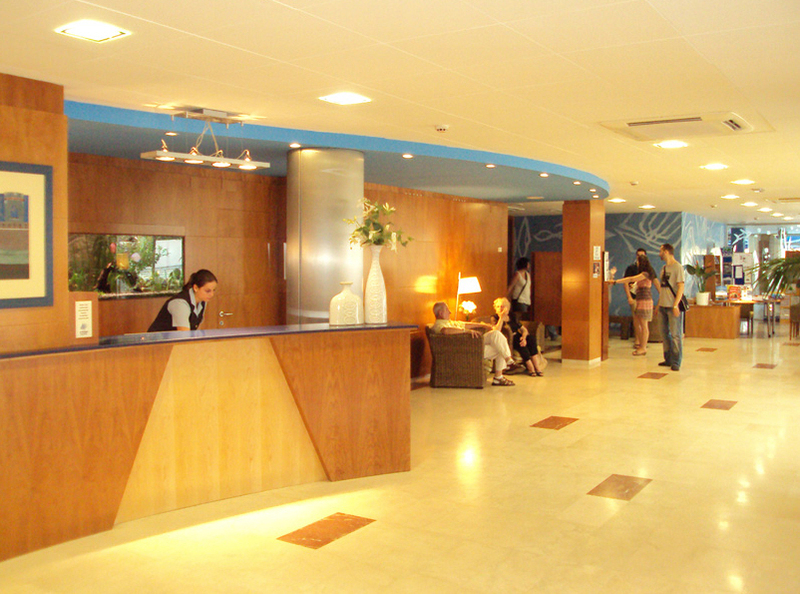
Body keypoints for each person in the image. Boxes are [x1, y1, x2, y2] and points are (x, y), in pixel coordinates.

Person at [431, 301, 523, 386]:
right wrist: (466, 331)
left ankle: (508, 362)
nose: (450, 312)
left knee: (497, 336)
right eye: (447, 310)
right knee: (500, 346)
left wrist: (483, 325)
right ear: (440, 313)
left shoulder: (450, 322)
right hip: (465, 349)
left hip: (472, 344)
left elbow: (465, 324)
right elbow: (446, 331)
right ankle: (500, 375)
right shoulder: (439, 324)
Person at [613, 253, 658, 356]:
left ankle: (643, 347)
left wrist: (616, 281)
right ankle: (641, 345)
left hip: (645, 301)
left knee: (644, 325)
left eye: (638, 262)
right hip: (640, 300)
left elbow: (631, 279)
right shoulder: (645, 273)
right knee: (639, 323)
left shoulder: (645, 274)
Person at [148, 269, 218, 332]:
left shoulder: (202, 301)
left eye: (214, 290)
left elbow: (195, 329)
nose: (212, 294)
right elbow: (184, 334)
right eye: (207, 291)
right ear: (196, 288)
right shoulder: (180, 303)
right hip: (158, 340)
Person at [492, 297, 544, 376]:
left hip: (517, 335)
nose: (500, 308)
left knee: (531, 339)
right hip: (508, 339)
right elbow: (496, 331)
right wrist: (501, 318)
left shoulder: (512, 316)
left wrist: (524, 338)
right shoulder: (495, 318)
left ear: (507, 307)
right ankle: (531, 368)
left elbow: (524, 329)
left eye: (502, 306)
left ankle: (537, 367)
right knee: (521, 344)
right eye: (498, 306)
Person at [657, 244, 684, 371]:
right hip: (662, 305)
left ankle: (676, 361)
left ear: (666, 252)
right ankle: (667, 358)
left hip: (672, 306)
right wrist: (658, 304)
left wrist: (675, 305)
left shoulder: (677, 267)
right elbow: (662, 288)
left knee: (675, 334)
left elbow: (681, 287)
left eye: (661, 251)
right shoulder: (663, 268)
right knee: (664, 333)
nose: (659, 253)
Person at [622, 248, 647, 348]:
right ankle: (637, 339)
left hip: (644, 298)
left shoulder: (647, 269)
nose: (640, 257)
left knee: (644, 321)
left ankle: (643, 341)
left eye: (642, 256)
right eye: (638, 255)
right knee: (636, 319)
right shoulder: (631, 268)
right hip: (634, 296)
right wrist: (629, 297)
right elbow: (626, 282)